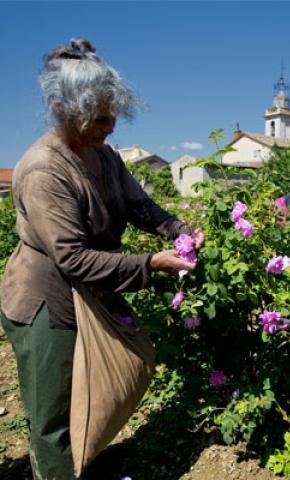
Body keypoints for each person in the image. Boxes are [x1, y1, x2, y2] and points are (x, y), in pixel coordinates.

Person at [0, 39, 201, 479]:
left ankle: (83, 462)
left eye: (113, 114)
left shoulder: (104, 156)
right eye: (98, 116)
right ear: (62, 109)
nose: (110, 125)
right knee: (52, 416)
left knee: (93, 391)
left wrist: (179, 230)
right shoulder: (44, 170)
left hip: (88, 291)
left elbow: (139, 206)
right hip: (45, 303)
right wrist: (151, 264)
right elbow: (72, 259)